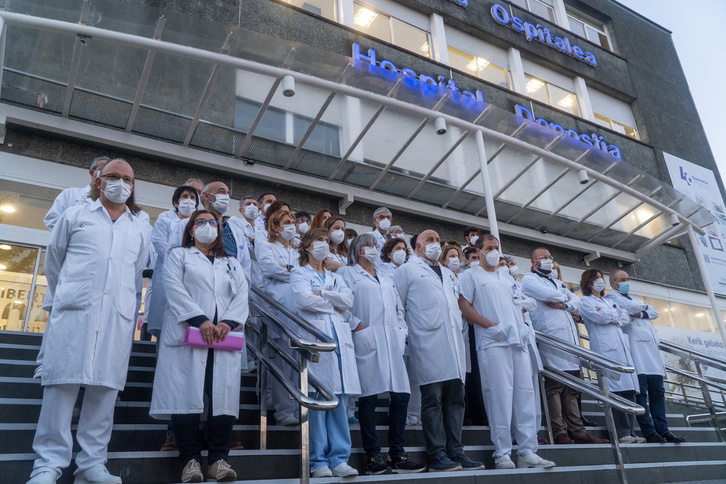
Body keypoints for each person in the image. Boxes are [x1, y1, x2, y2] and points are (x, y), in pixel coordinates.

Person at [27, 159, 149, 484]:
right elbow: (55, 264)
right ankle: (47, 466)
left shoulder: (139, 226)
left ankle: (92, 464)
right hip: (75, 314)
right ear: (98, 181)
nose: (120, 183)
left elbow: (136, 272)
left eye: (127, 178)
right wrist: (70, 294)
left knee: (104, 391)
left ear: (133, 186)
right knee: (60, 388)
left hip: (116, 318)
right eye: (113, 176)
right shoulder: (75, 215)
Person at [150, 210, 249, 483]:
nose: (208, 227)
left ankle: (219, 460)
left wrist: (228, 323)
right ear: (191, 230)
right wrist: (201, 320)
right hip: (190, 334)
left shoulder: (231, 262)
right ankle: (190, 461)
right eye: (200, 222)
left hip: (222, 338)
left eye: (213, 223)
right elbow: (173, 289)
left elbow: (242, 295)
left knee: (222, 399)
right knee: (186, 396)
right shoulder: (178, 256)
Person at [457, 235, 555, 470]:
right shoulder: (469, 276)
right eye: (489, 248)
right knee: (499, 396)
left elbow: (517, 304)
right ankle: (502, 452)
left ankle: (527, 450)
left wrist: (521, 327)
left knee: (524, 395)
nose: (494, 252)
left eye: (496, 248)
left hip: (516, 342)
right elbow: (464, 306)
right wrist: (491, 326)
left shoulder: (505, 276)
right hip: (493, 342)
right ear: (478, 251)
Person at [394, 229, 483, 472]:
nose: (436, 244)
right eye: (430, 240)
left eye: (437, 240)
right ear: (418, 247)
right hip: (426, 341)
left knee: (456, 400)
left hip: (454, 343)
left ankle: (456, 451)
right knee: (432, 400)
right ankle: (436, 455)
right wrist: (405, 337)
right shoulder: (406, 271)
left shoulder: (448, 273)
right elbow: (398, 307)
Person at [338, 235, 425, 475]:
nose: (373, 250)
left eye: (375, 246)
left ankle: (398, 454)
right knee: (369, 396)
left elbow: (398, 307)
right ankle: (373, 456)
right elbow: (341, 305)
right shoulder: (348, 273)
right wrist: (357, 327)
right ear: (357, 249)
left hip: (392, 340)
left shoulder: (387, 276)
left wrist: (401, 330)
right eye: (368, 245)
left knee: (401, 396)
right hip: (366, 338)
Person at [290, 228, 360, 478]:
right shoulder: (299, 272)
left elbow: (349, 301)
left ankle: (340, 459)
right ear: (307, 246)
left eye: (326, 241)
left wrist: (324, 295)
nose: (324, 244)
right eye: (319, 240)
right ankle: (318, 461)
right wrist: (333, 302)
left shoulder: (334, 276)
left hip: (339, 342)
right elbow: (303, 300)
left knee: (339, 401)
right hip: (317, 341)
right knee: (318, 403)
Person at [522, 249, 608, 445]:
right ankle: (559, 431)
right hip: (551, 339)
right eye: (543, 258)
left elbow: (575, 299)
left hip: (568, 341)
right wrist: (565, 299)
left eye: (550, 258)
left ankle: (578, 432)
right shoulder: (529, 280)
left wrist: (564, 304)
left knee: (572, 388)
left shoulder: (558, 282)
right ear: (534, 262)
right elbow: (549, 295)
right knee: (555, 387)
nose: (548, 261)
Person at [606, 270, 686, 444]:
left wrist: (642, 312)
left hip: (652, 356)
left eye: (627, 279)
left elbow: (654, 311)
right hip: (637, 355)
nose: (626, 282)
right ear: (613, 283)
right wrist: (645, 309)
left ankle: (663, 430)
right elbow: (635, 309)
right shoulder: (612, 298)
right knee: (641, 394)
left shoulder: (635, 299)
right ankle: (649, 431)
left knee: (657, 393)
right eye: (622, 280)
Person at [578, 269, 643, 444]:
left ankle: (631, 431)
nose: (600, 281)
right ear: (589, 282)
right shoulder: (585, 301)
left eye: (601, 278)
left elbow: (624, 319)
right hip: (605, 349)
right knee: (614, 390)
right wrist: (614, 314)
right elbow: (599, 317)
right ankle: (621, 433)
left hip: (621, 348)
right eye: (596, 278)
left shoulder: (607, 301)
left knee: (629, 389)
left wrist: (613, 314)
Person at [256, 210, 301, 426]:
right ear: (275, 227)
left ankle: (296, 405)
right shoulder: (267, 246)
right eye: (286, 222)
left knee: (295, 362)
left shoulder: (297, 249)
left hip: (297, 310)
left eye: (293, 222)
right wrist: (294, 272)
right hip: (277, 307)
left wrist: (289, 270)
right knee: (280, 361)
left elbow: (304, 272)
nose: (291, 226)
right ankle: (283, 411)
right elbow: (271, 269)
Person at [146, 185, 200, 338]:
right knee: (165, 320)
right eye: (184, 197)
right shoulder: (165, 218)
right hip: (168, 269)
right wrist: (176, 261)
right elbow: (158, 241)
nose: (188, 201)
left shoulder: (199, 222)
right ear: (176, 203)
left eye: (192, 198)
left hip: (192, 272)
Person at [43, 156, 110, 231]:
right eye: (102, 170)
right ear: (92, 173)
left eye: (109, 174)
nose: (105, 175)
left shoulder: (109, 202)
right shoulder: (70, 194)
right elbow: (52, 220)